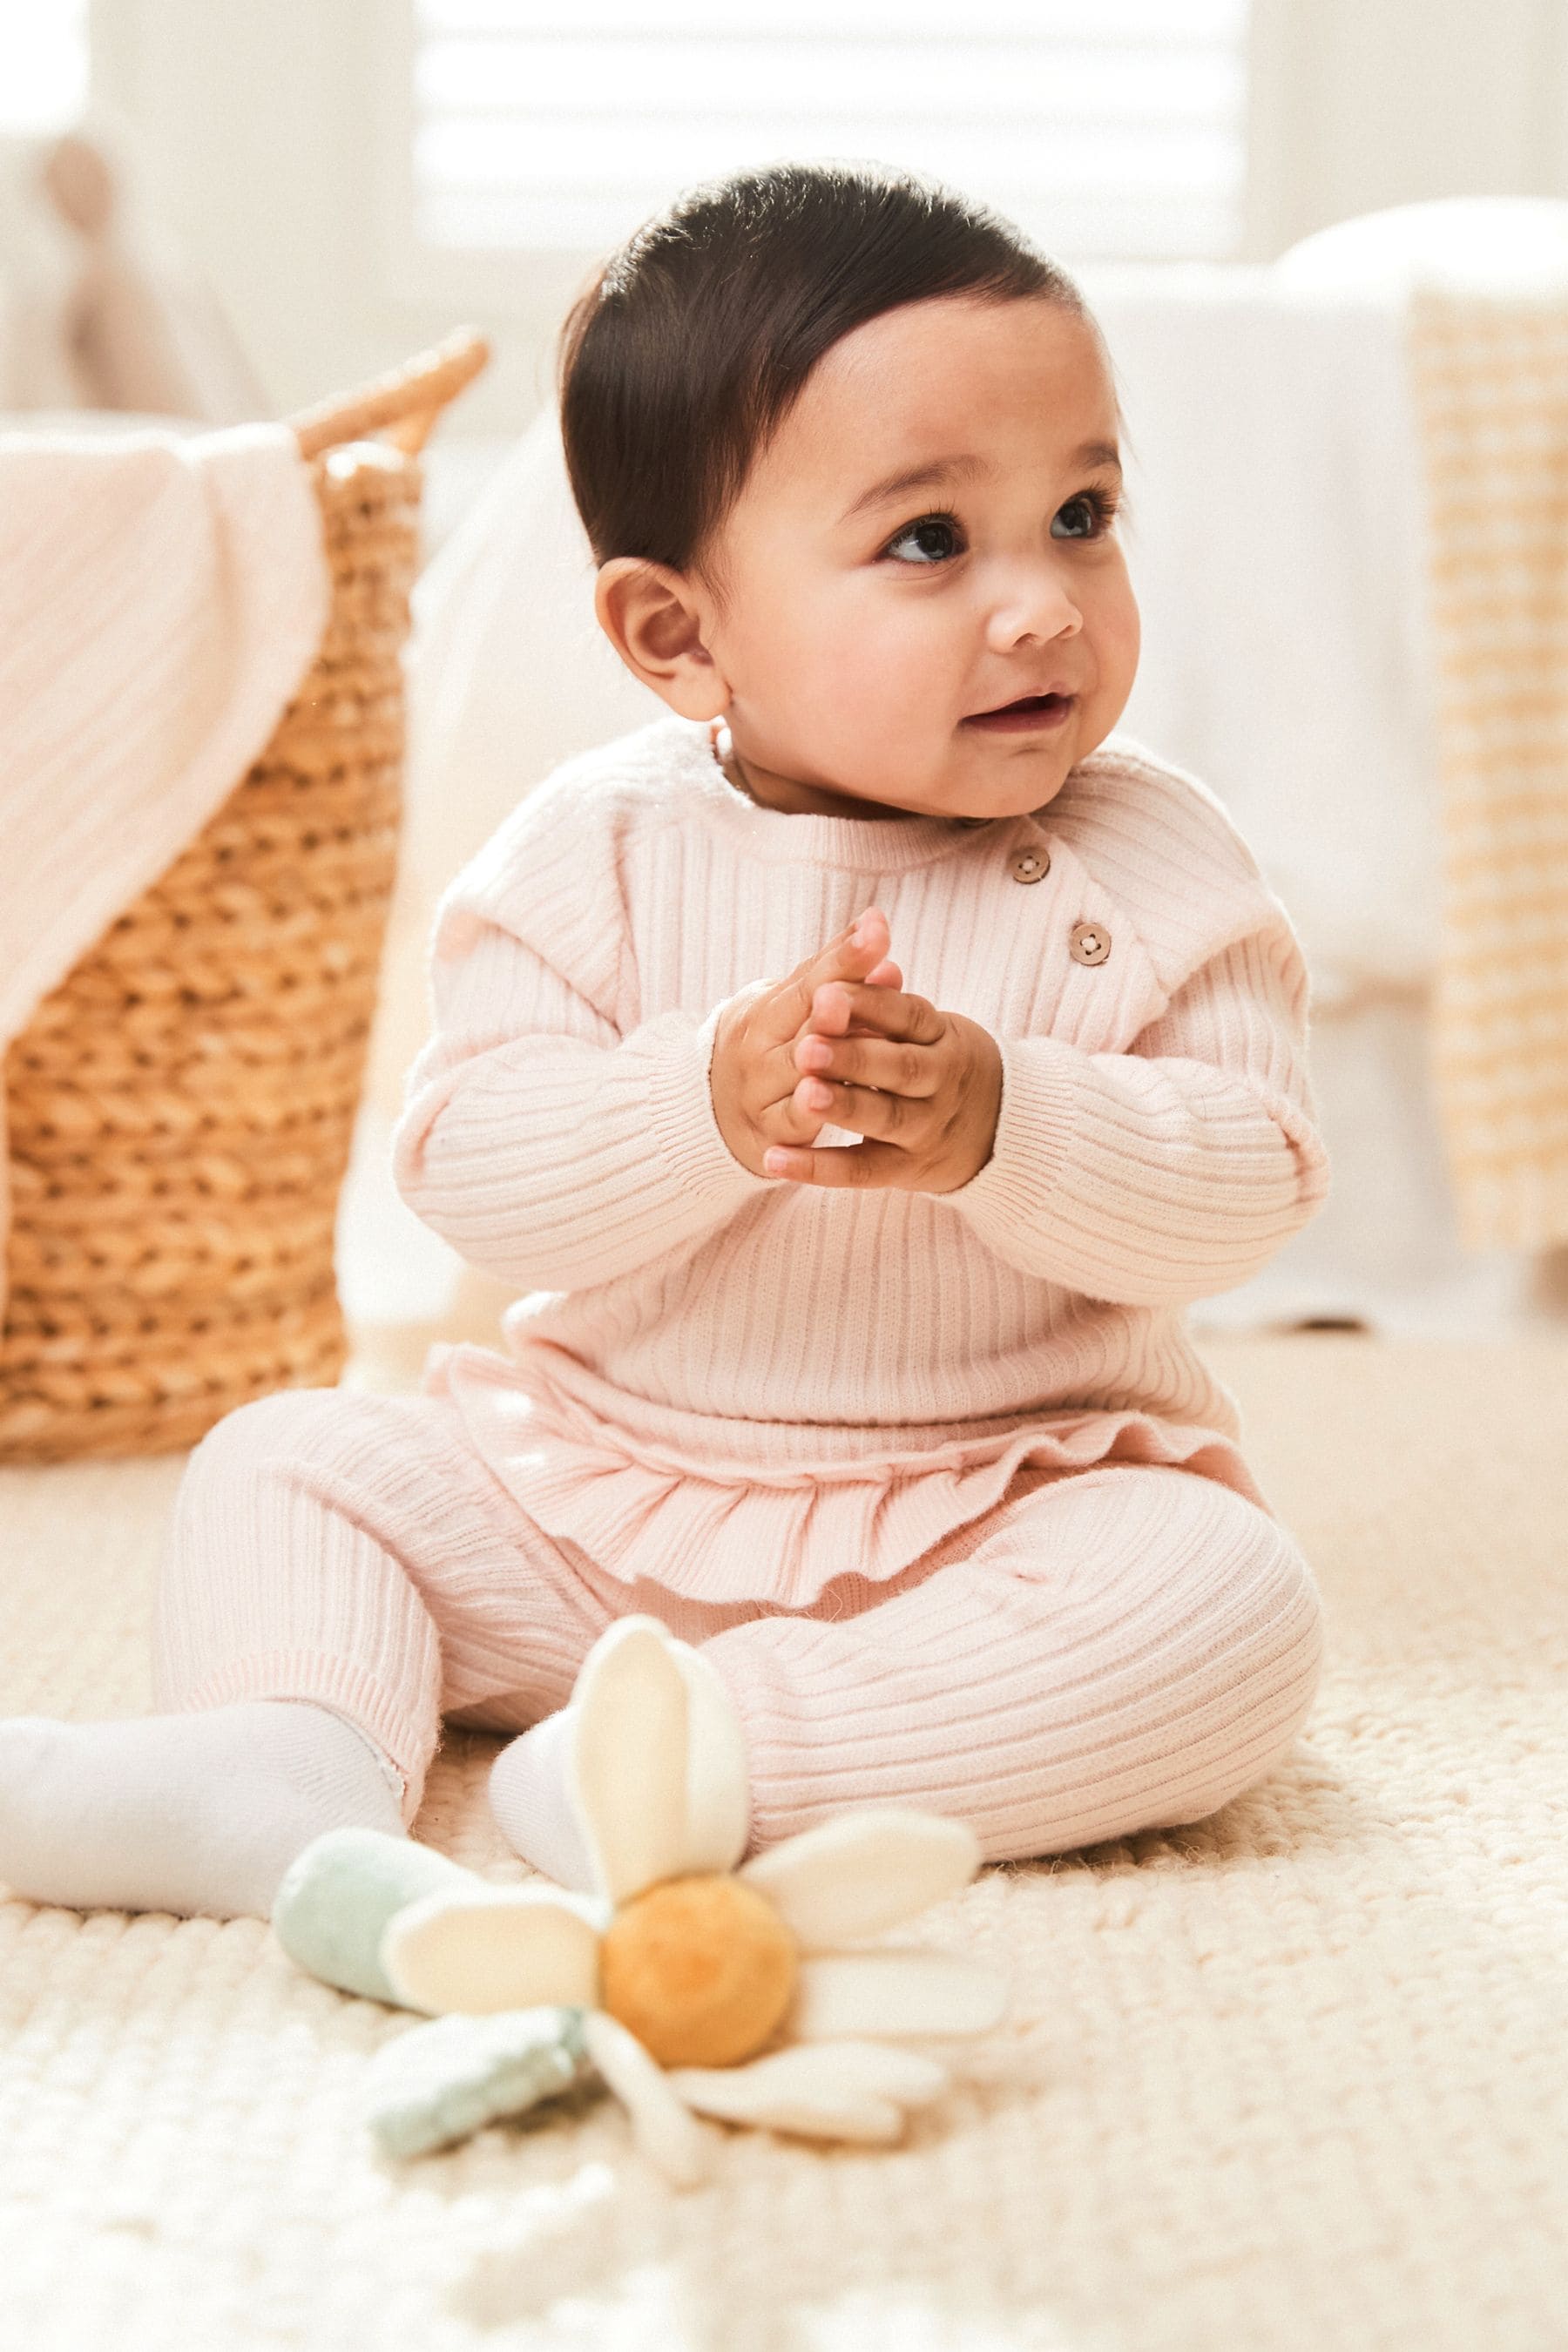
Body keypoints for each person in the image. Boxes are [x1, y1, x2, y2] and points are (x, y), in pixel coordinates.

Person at [0, 162, 1329, 1920]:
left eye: (1081, 513)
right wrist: (696, 1102)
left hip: (996, 1506)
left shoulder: (1151, 858)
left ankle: (717, 1758)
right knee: (296, 1456)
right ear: (674, 634)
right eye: (932, 540)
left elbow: (1249, 1184)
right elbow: (474, 1175)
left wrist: (1012, 1122)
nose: (1043, 605)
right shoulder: (595, 853)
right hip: (595, 1495)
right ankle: (283, 1753)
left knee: (1229, 1604)